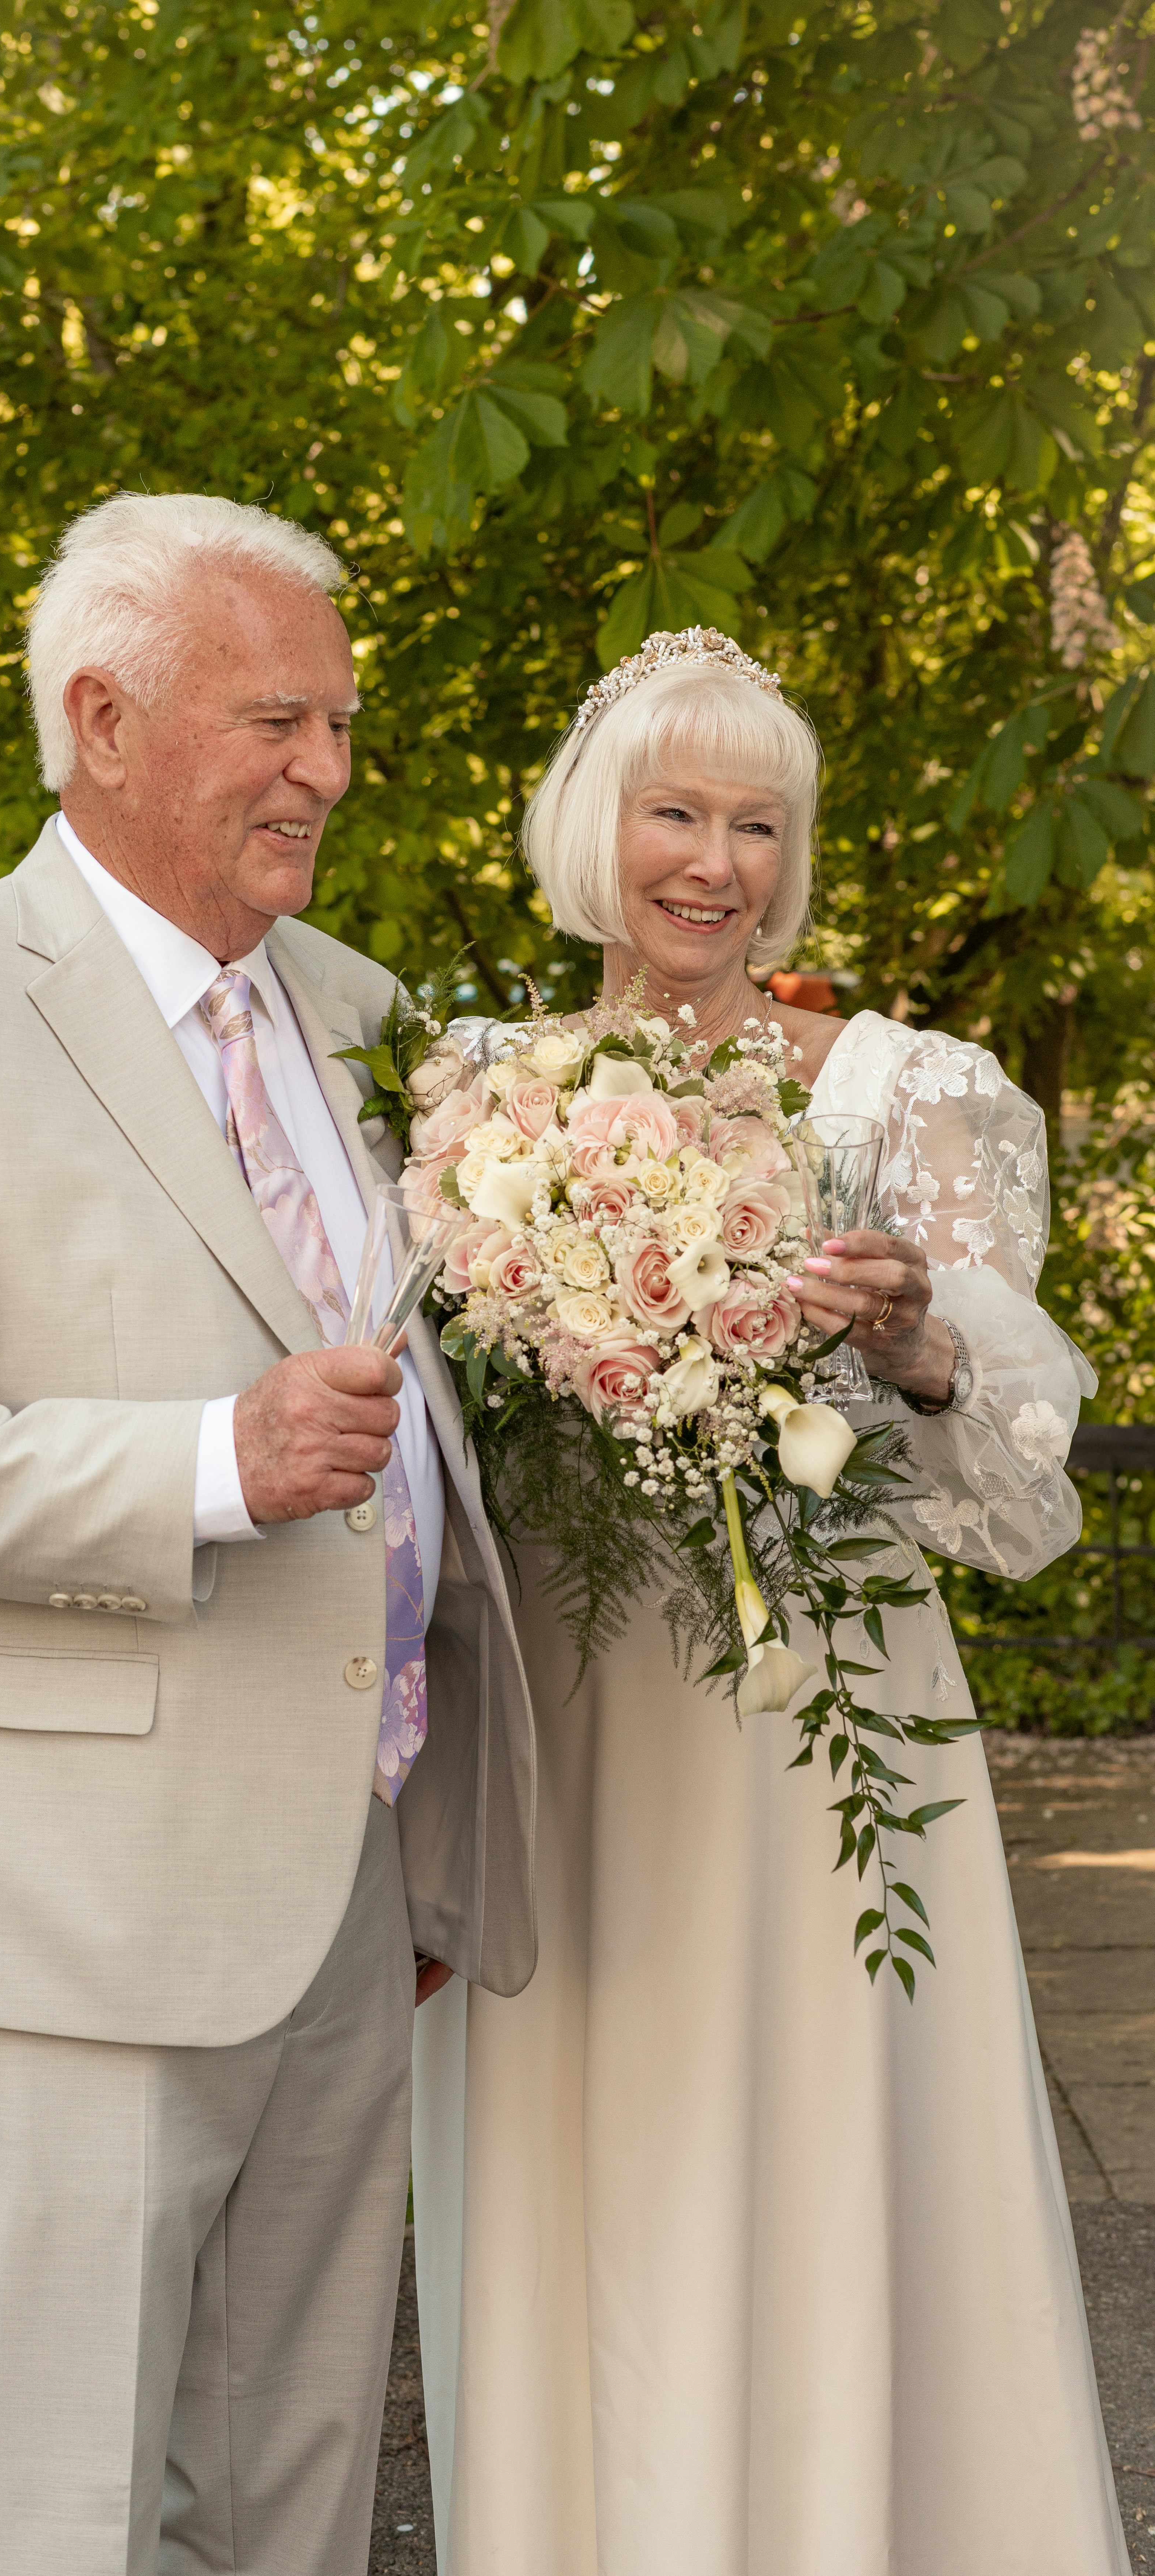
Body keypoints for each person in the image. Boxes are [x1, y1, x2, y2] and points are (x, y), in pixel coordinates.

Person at [0, 491, 534, 2576]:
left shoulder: (362, 1013)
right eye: (279, 720)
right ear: (103, 716)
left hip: (346, 1895)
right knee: (47, 2520)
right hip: (50, 1923)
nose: (329, 772)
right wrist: (206, 1460)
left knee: (284, 2512)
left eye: (342, 725)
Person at [410, 630, 1129, 2576]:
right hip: (567, 1721)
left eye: (754, 822)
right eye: (674, 810)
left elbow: (1011, 1491)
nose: (712, 860)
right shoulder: (480, 1093)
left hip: (823, 1729)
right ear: (592, 829)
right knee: (595, 2151)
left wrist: (908, 1346)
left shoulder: (910, 1092)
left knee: (828, 2141)